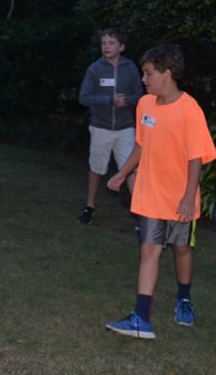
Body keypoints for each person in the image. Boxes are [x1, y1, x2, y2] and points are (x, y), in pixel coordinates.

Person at [105, 45, 216, 340]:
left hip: (180, 198)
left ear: (167, 74)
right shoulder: (145, 105)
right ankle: (142, 318)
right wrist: (123, 171)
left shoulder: (190, 109)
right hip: (150, 195)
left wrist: (188, 196)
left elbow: (196, 157)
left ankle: (184, 298)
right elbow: (141, 145)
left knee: (181, 249)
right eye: (144, 72)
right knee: (149, 249)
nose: (144, 78)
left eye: (149, 73)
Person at [77, 28, 143, 225]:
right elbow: (84, 97)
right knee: (97, 168)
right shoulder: (95, 69)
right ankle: (89, 206)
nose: (106, 46)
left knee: (131, 169)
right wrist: (108, 100)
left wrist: (128, 101)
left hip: (125, 128)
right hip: (101, 128)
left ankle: (140, 213)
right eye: (104, 43)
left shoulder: (130, 68)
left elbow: (141, 96)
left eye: (111, 43)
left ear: (121, 47)